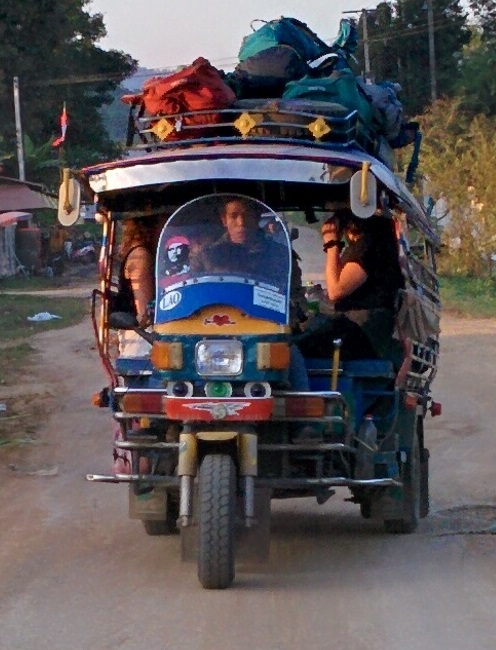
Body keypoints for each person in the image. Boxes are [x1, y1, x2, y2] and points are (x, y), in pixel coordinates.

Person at [191, 197, 309, 389]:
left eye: (247, 216)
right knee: (166, 375)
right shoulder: (206, 255)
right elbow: (191, 294)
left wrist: (290, 315)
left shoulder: (279, 255)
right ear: (224, 219)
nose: (241, 223)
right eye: (234, 216)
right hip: (210, 339)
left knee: (295, 371)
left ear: (258, 217)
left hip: (267, 336)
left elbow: (296, 297)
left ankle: (304, 416)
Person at [294, 209, 405, 364]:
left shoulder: (367, 246)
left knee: (293, 347)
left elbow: (336, 291)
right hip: (365, 328)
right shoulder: (376, 244)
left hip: (362, 331)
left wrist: (332, 245)